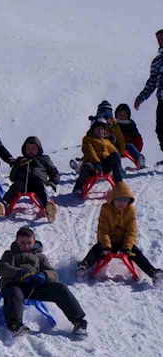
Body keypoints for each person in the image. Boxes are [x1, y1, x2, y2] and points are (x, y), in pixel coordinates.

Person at [0, 227, 88, 337]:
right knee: (14, 293)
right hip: (14, 285)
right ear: (16, 241)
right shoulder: (9, 254)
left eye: (29, 243)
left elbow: (53, 274)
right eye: (22, 243)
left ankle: (79, 322)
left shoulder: (40, 257)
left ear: (34, 242)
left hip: (34, 287)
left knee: (60, 289)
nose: (26, 246)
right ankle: (15, 326)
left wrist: (44, 275)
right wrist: (18, 273)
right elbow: (1, 268)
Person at [76, 182, 163, 284]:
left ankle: (152, 273)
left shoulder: (130, 210)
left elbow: (131, 231)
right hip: (108, 242)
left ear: (128, 201)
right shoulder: (105, 209)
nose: (122, 203)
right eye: (119, 200)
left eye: (125, 200)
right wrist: (106, 246)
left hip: (123, 242)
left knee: (136, 253)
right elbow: (103, 230)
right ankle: (84, 265)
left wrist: (127, 247)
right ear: (113, 199)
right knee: (96, 249)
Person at [0, 136, 58, 220]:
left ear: (39, 149)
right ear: (24, 149)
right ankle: (3, 204)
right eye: (28, 148)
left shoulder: (44, 159)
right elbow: (12, 177)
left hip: (37, 181)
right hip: (22, 183)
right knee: (16, 186)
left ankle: (48, 207)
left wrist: (52, 182)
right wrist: (18, 165)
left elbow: (54, 172)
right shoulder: (20, 160)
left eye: (33, 149)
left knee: (40, 186)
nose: (30, 151)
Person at [72, 117, 123, 195]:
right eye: (97, 129)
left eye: (102, 129)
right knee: (87, 166)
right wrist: (97, 163)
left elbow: (115, 151)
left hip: (104, 166)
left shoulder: (106, 141)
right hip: (92, 165)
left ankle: (119, 184)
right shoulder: (87, 139)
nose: (100, 131)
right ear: (93, 129)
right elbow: (90, 152)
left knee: (115, 156)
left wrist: (116, 156)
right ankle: (78, 187)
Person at [134, 29, 163, 164]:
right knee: (160, 128)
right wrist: (141, 97)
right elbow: (152, 82)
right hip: (162, 99)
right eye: (159, 39)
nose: (161, 41)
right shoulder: (157, 61)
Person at [115, 103, 146, 168]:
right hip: (115, 147)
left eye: (124, 114)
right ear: (116, 115)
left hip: (127, 148)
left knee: (130, 146)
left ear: (128, 115)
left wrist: (137, 149)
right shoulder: (113, 125)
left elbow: (138, 140)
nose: (122, 116)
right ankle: (116, 168)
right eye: (120, 114)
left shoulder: (131, 126)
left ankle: (139, 159)